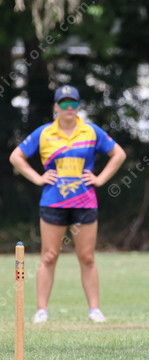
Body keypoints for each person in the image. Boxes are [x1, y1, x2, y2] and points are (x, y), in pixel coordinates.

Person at [9, 85, 126, 323]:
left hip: (85, 203)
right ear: (56, 107)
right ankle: (42, 311)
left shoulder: (90, 131)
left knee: (87, 257)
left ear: (78, 106)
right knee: (49, 257)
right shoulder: (44, 133)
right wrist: (38, 178)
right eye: (64, 104)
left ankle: (94, 310)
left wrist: (100, 179)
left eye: (73, 104)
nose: (69, 108)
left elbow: (119, 154)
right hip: (53, 203)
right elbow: (16, 156)